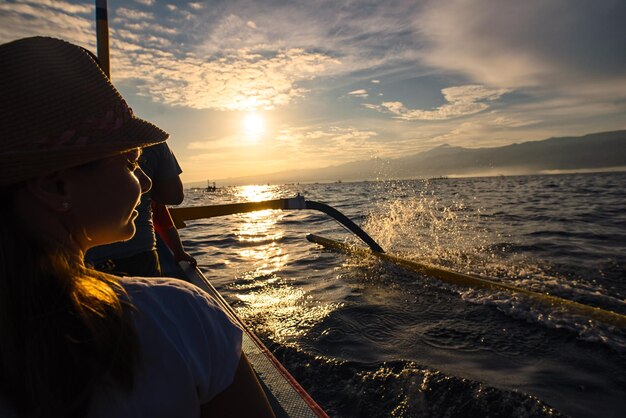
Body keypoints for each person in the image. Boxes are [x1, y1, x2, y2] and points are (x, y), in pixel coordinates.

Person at [0, 36, 274, 417]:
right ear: (56, 185)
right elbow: (171, 195)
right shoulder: (183, 316)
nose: (144, 183)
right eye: (130, 163)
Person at [86, 140, 196, 277]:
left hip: (79, 261)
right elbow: (173, 197)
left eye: (137, 162)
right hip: (140, 254)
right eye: (130, 165)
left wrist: (178, 250)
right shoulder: (152, 141)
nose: (146, 183)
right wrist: (178, 251)